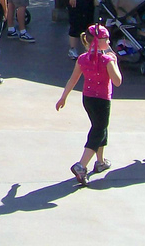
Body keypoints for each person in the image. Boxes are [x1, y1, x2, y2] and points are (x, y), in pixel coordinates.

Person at [55, 24, 122, 186]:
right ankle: (81, 165)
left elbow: (73, 79)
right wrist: (115, 62)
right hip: (102, 100)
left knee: (99, 127)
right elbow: (117, 81)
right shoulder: (107, 60)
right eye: (106, 39)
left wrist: (63, 97)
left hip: (88, 99)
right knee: (98, 130)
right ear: (99, 41)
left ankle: (100, 161)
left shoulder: (82, 58)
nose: (109, 41)